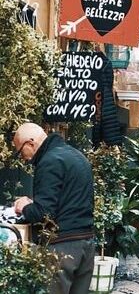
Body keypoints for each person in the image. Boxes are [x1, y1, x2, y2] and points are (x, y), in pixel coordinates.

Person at [12, 123, 95, 294]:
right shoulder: (77, 156)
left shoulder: (49, 161)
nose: (23, 158)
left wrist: (24, 207)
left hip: (62, 248)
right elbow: (67, 199)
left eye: (20, 152)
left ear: (30, 143)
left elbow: (43, 214)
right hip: (86, 243)